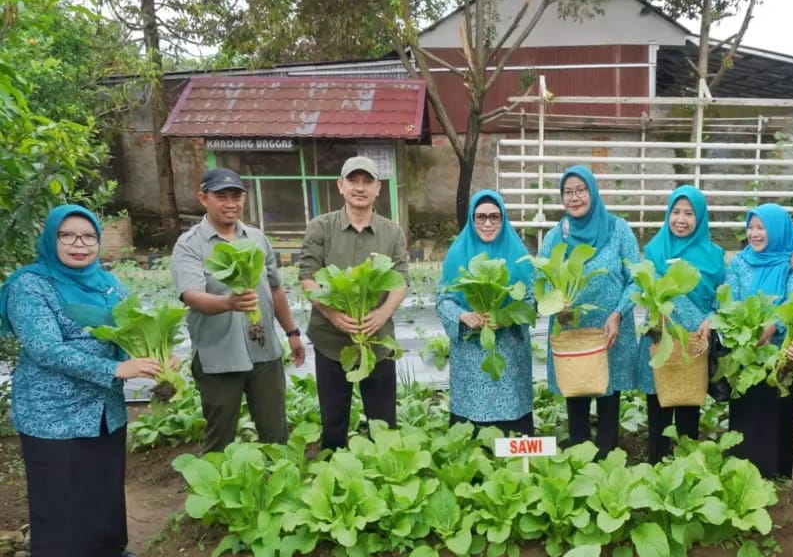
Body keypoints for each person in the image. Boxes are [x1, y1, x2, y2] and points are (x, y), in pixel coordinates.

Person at [0, 205, 163, 557]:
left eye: (88, 236)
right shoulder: (31, 285)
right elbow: (45, 349)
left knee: (101, 485)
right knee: (60, 492)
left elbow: (128, 334)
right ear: (52, 238)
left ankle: (105, 555)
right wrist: (115, 370)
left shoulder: (108, 285)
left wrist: (153, 358)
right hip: (51, 410)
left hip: (103, 409)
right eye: (68, 235)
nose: (79, 244)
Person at [172, 168, 305, 454]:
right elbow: (191, 295)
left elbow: (275, 288)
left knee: (275, 430)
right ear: (203, 198)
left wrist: (292, 332)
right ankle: (217, 491)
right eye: (221, 196)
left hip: (264, 349)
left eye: (236, 196)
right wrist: (228, 304)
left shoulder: (256, 238)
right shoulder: (190, 244)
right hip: (218, 353)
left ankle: (277, 485)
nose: (230, 203)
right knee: (220, 433)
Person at [299, 156, 409, 450]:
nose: (360, 188)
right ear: (341, 186)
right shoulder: (321, 227)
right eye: (353, 181)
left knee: (382, 418)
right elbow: (307, 277)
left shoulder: (392, 232)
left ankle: (384, 470)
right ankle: (334, 471)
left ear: (378, 188)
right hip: (331, 340)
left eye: (367, 181)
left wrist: (382, 315)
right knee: (334, 420)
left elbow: (401, 279)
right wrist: (333, 314)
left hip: (378, 340)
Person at [540, 165, 639, 459]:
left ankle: (608, 451)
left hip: (611, 327)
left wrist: (618, 313)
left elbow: (636, 277)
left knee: (609, 389)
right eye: (568, 192)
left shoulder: (618, 229)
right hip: (573, 326)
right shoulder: (556, 236)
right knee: (577, 386)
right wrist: (557, 304)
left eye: (581, 190)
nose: (575, 198)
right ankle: (580, 448)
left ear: (592, 193)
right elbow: (542, 279)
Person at [636, 186, 726, 464]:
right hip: (660, 341)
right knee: (659, 412)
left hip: (694, 345)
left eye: (689, 213)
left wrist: (712, 320)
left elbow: (722, 299)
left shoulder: (714, 255)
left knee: (688, 411)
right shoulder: (654, 250)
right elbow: (643, 290)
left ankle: (687, 468)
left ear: (700, 218)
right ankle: (657, 467)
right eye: (675, 212)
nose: (681, 219)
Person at [724, 203, 793, 479]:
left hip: (784, 351)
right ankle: (743, 469)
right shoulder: (740, 261)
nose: (754, 234)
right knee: (746, 407)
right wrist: (745, 328)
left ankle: (774, 472)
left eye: (761, 228)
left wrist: (773, 326)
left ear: (776, 230)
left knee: (778, 409)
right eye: (750, 227)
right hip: (747, 348)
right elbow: (732, 298)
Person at [436, 190, 534, 434]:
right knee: (471, 412)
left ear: (503, 219)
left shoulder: (518, 254)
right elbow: (443, 299)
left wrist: (506, 316)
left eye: (494, 217)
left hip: (510, 350)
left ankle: (513, 464)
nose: (488, 223)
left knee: (513, 406)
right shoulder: (457, 253)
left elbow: (531, 299)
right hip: (471, 351)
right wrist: (464, 316)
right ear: (471, 219)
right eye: (480, 217)